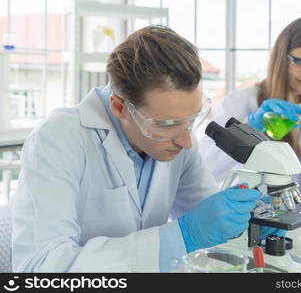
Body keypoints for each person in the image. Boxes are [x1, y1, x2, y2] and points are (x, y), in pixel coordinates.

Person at [11, 25, 280, 272]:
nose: (186, 141)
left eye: (191, 119)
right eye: (167, 125)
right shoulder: (59, 138)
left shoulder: (179, 138)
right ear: (119, 107)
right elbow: (40, 267)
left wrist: (246, 223)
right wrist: (180, 237)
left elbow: (208, 217)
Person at [199, 18, 301, 210]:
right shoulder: (240, 103)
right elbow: (206, 171)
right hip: (242, 221)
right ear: (281, 58)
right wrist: (245, 131)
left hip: (294, 229)